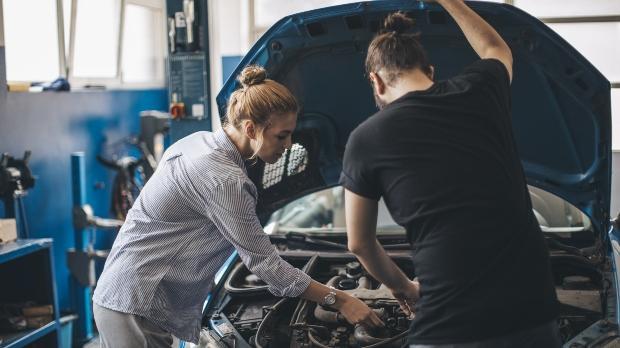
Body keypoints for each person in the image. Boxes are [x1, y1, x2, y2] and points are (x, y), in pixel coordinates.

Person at [93, 65, 383, 347]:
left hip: (130, 297)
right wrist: (340, 299)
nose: (289, 144)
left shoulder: (197, 142)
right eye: (281, 135)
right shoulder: (223, 179)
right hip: (137, 305)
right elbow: (266, 265)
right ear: (250, 128)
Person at [340, 1, 561, 347]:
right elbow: (494, 47)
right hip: (532, 315)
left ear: (376, 81)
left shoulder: (365, 138)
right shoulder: (482, 90)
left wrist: (406, 288)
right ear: (430, 70)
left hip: (449, 326)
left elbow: (359, 243)